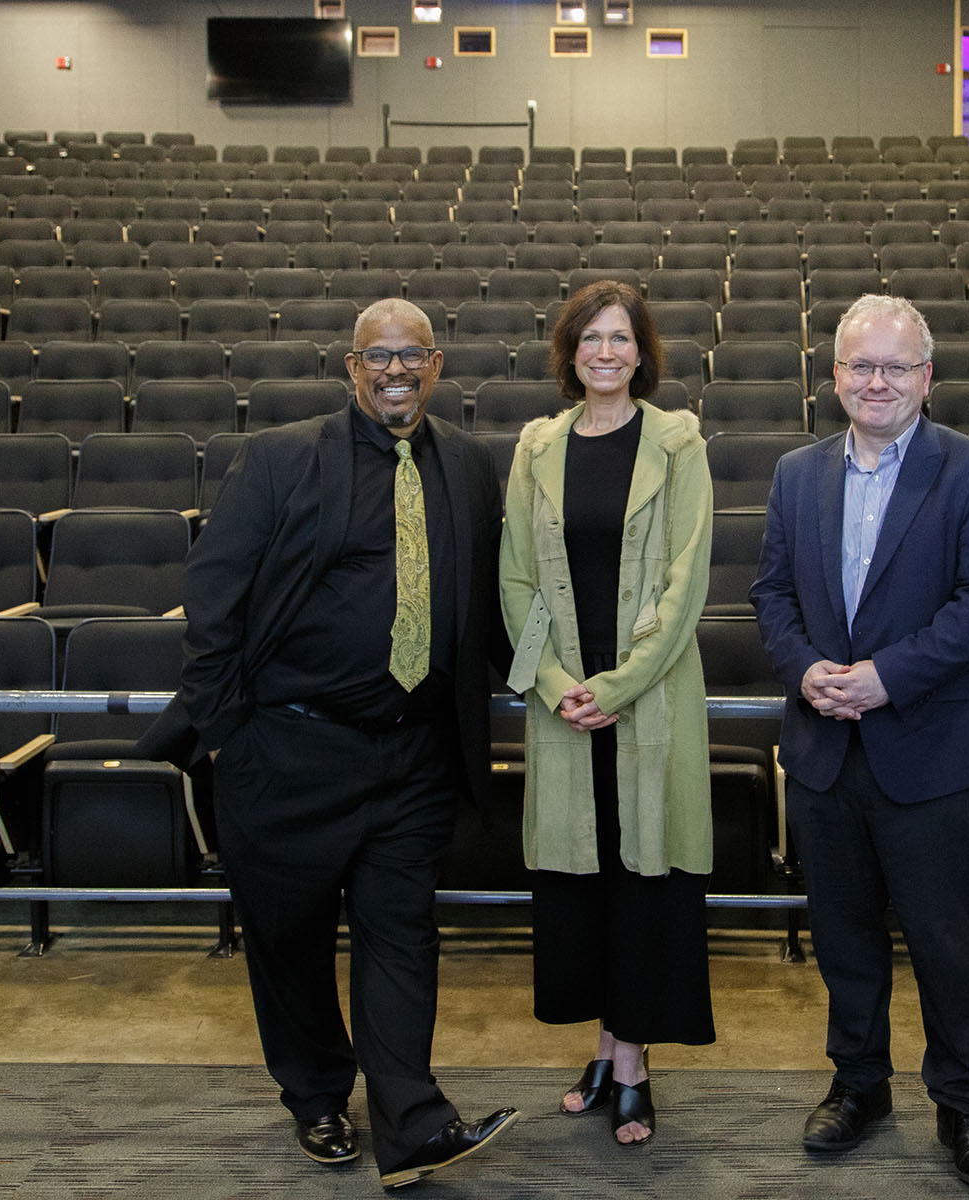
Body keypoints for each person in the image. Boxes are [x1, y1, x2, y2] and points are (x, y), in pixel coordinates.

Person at [173, 297, 518, 1189]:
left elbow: (493, 601)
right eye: (380, 356)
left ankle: (412, 1123)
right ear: (352, 366)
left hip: (412, 754)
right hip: (288, 752)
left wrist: (565, 674)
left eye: (415, 355)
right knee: (287, 943)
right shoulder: (281, 458)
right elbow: (214, 599)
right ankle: (318, 1096)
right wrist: (229, 738)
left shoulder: (474, 465)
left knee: (402, 935)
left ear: (438, 366)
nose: (397, 371)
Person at [750, 294, 969, 1191]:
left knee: (948, 943)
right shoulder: (796, 474)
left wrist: (885, 677)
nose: (876, 381)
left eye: (894, 367)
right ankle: (859, 1086)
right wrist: (807, 672)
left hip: (932, 751)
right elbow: (771, 596)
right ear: (833, 376)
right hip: (826, 750)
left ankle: (966, 1108)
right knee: (844, 940)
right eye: (859, 365)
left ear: (927, 378)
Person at [498, 281, 716, 1147]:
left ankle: (632, 1068)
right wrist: (558, 687)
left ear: (642, 351)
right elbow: (515, 578)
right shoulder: (536, 446)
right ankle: (606, 1048)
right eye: (590, 338)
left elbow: (686, 578)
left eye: (620, 338)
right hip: (567, 710)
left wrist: (616, 685)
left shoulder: (678, 439)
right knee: (582, 888)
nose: (605, 353)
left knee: (643, 885)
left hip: (649, 700)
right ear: (569, 351)